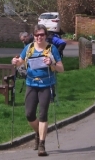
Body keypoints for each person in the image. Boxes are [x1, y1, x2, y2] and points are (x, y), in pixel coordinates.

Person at [11, 24, 64, 156]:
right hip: (31, 84)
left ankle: (42, 144)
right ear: (33, 36)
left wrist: (51, 63)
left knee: (43, 115)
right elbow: (20, 62)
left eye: (41, 34)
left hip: (46, 84)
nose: (39, 37)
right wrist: (15, 61)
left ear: (45, 35)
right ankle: (38, 133)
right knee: (29, 114)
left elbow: (61, 69)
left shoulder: (52, 49)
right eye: (36, 35)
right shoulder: (29, 48)